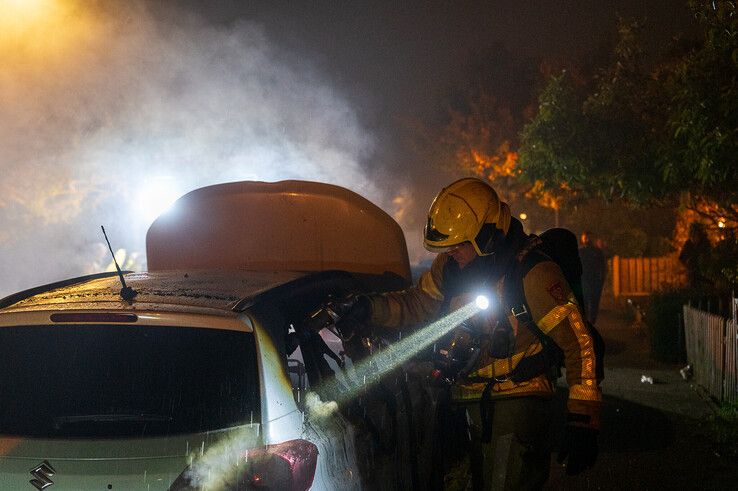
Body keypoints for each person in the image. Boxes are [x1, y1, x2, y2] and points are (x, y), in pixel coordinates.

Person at [332, 178, 601, 490]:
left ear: (487, 236)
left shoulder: (533, 273)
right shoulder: (449, 267)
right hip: (468, 400)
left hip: (519, 400)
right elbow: (417, 304)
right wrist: (369, 308)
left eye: (459, 245)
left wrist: (583, 420)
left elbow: (579, 343)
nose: (451, 252)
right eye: (449, 246)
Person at [578, 231, 606, 324]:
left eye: (588, 237)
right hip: (586, 280)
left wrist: (601, 279)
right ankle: (588, 323)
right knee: (588, 302)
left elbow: (603, 267)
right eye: (586, 237)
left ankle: (590, 322)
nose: (587, 239)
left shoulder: (597, 252)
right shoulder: (581, 251)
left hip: (592, 281)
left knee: (591, 302)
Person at [678, 222, 712, 290]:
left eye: (696, 235)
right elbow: (681, 258)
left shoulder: (705, 243)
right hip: (692, 274)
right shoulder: (688, 244)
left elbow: (710, 256)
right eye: (692, 235)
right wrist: (687, 265)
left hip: (704, 274)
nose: (693, 237)